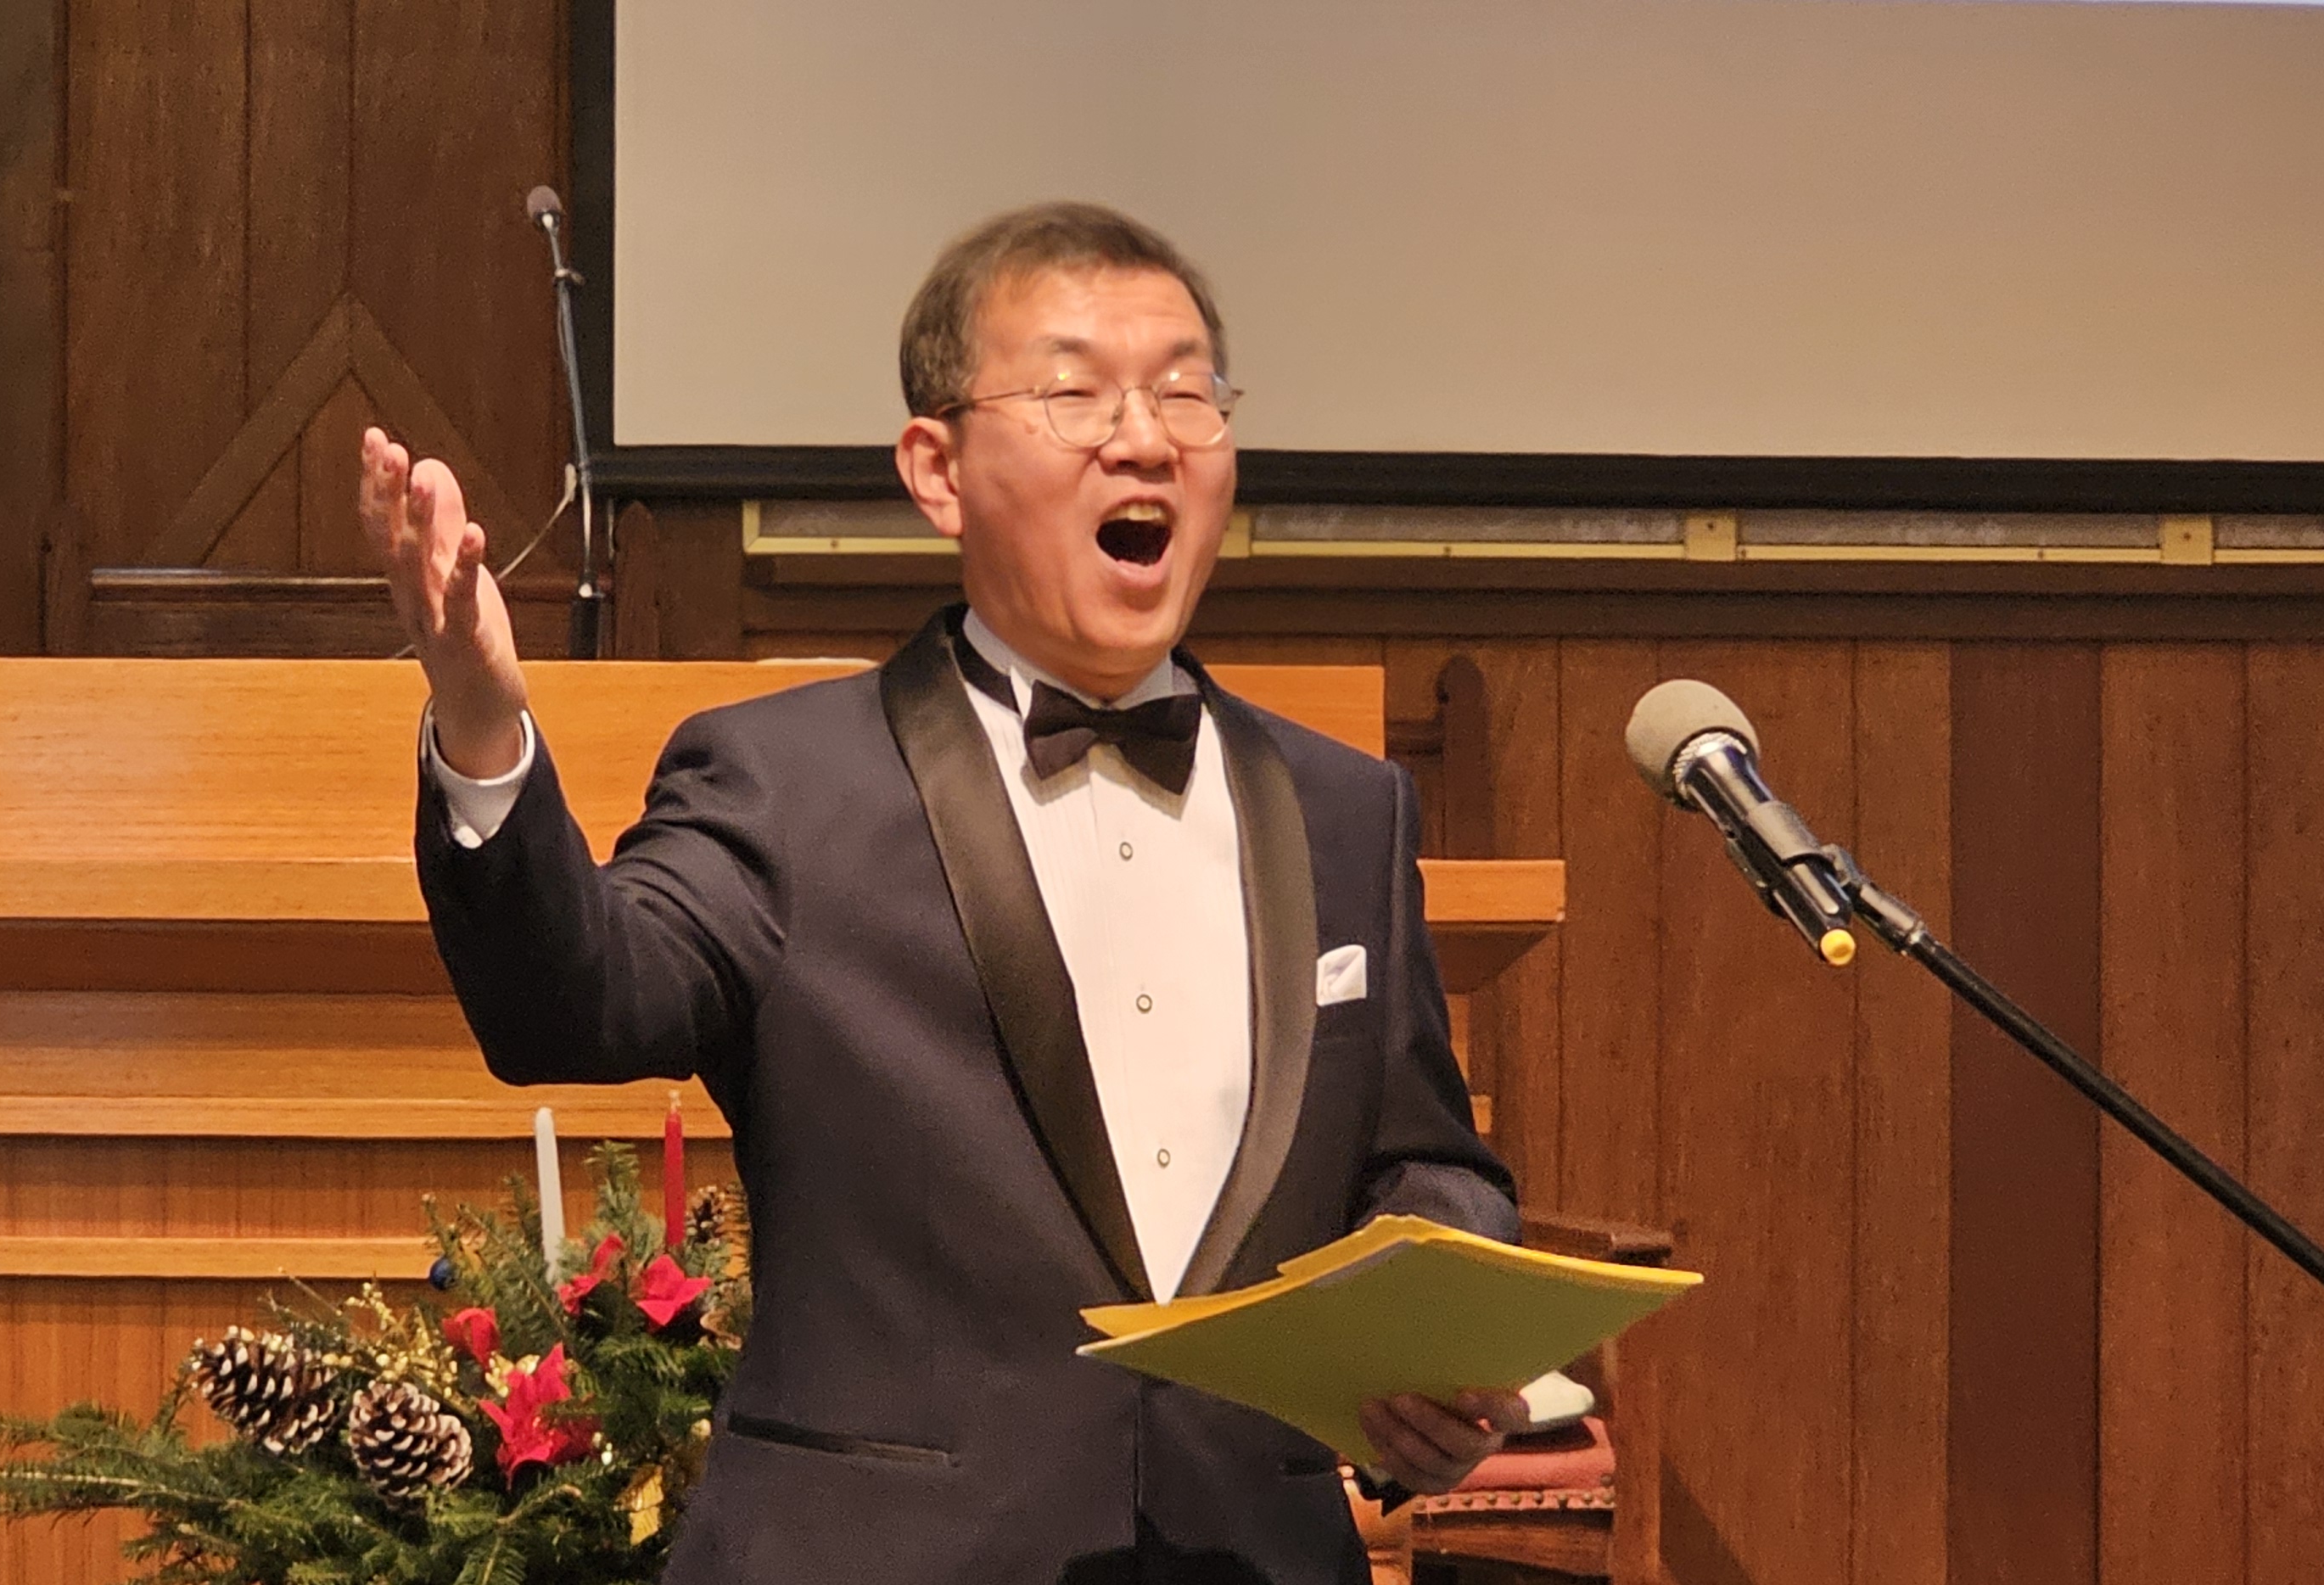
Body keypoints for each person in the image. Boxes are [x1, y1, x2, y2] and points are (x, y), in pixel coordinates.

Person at [372, 201, 1527, 1583]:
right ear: (938, 470)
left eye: (1184, 392)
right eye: (1075, 394)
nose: (1144, 439)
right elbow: (577, 1002)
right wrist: (482, 722)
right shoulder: (786, 784)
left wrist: (1426, 1337)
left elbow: (1426, 1158)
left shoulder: (1347, 811)